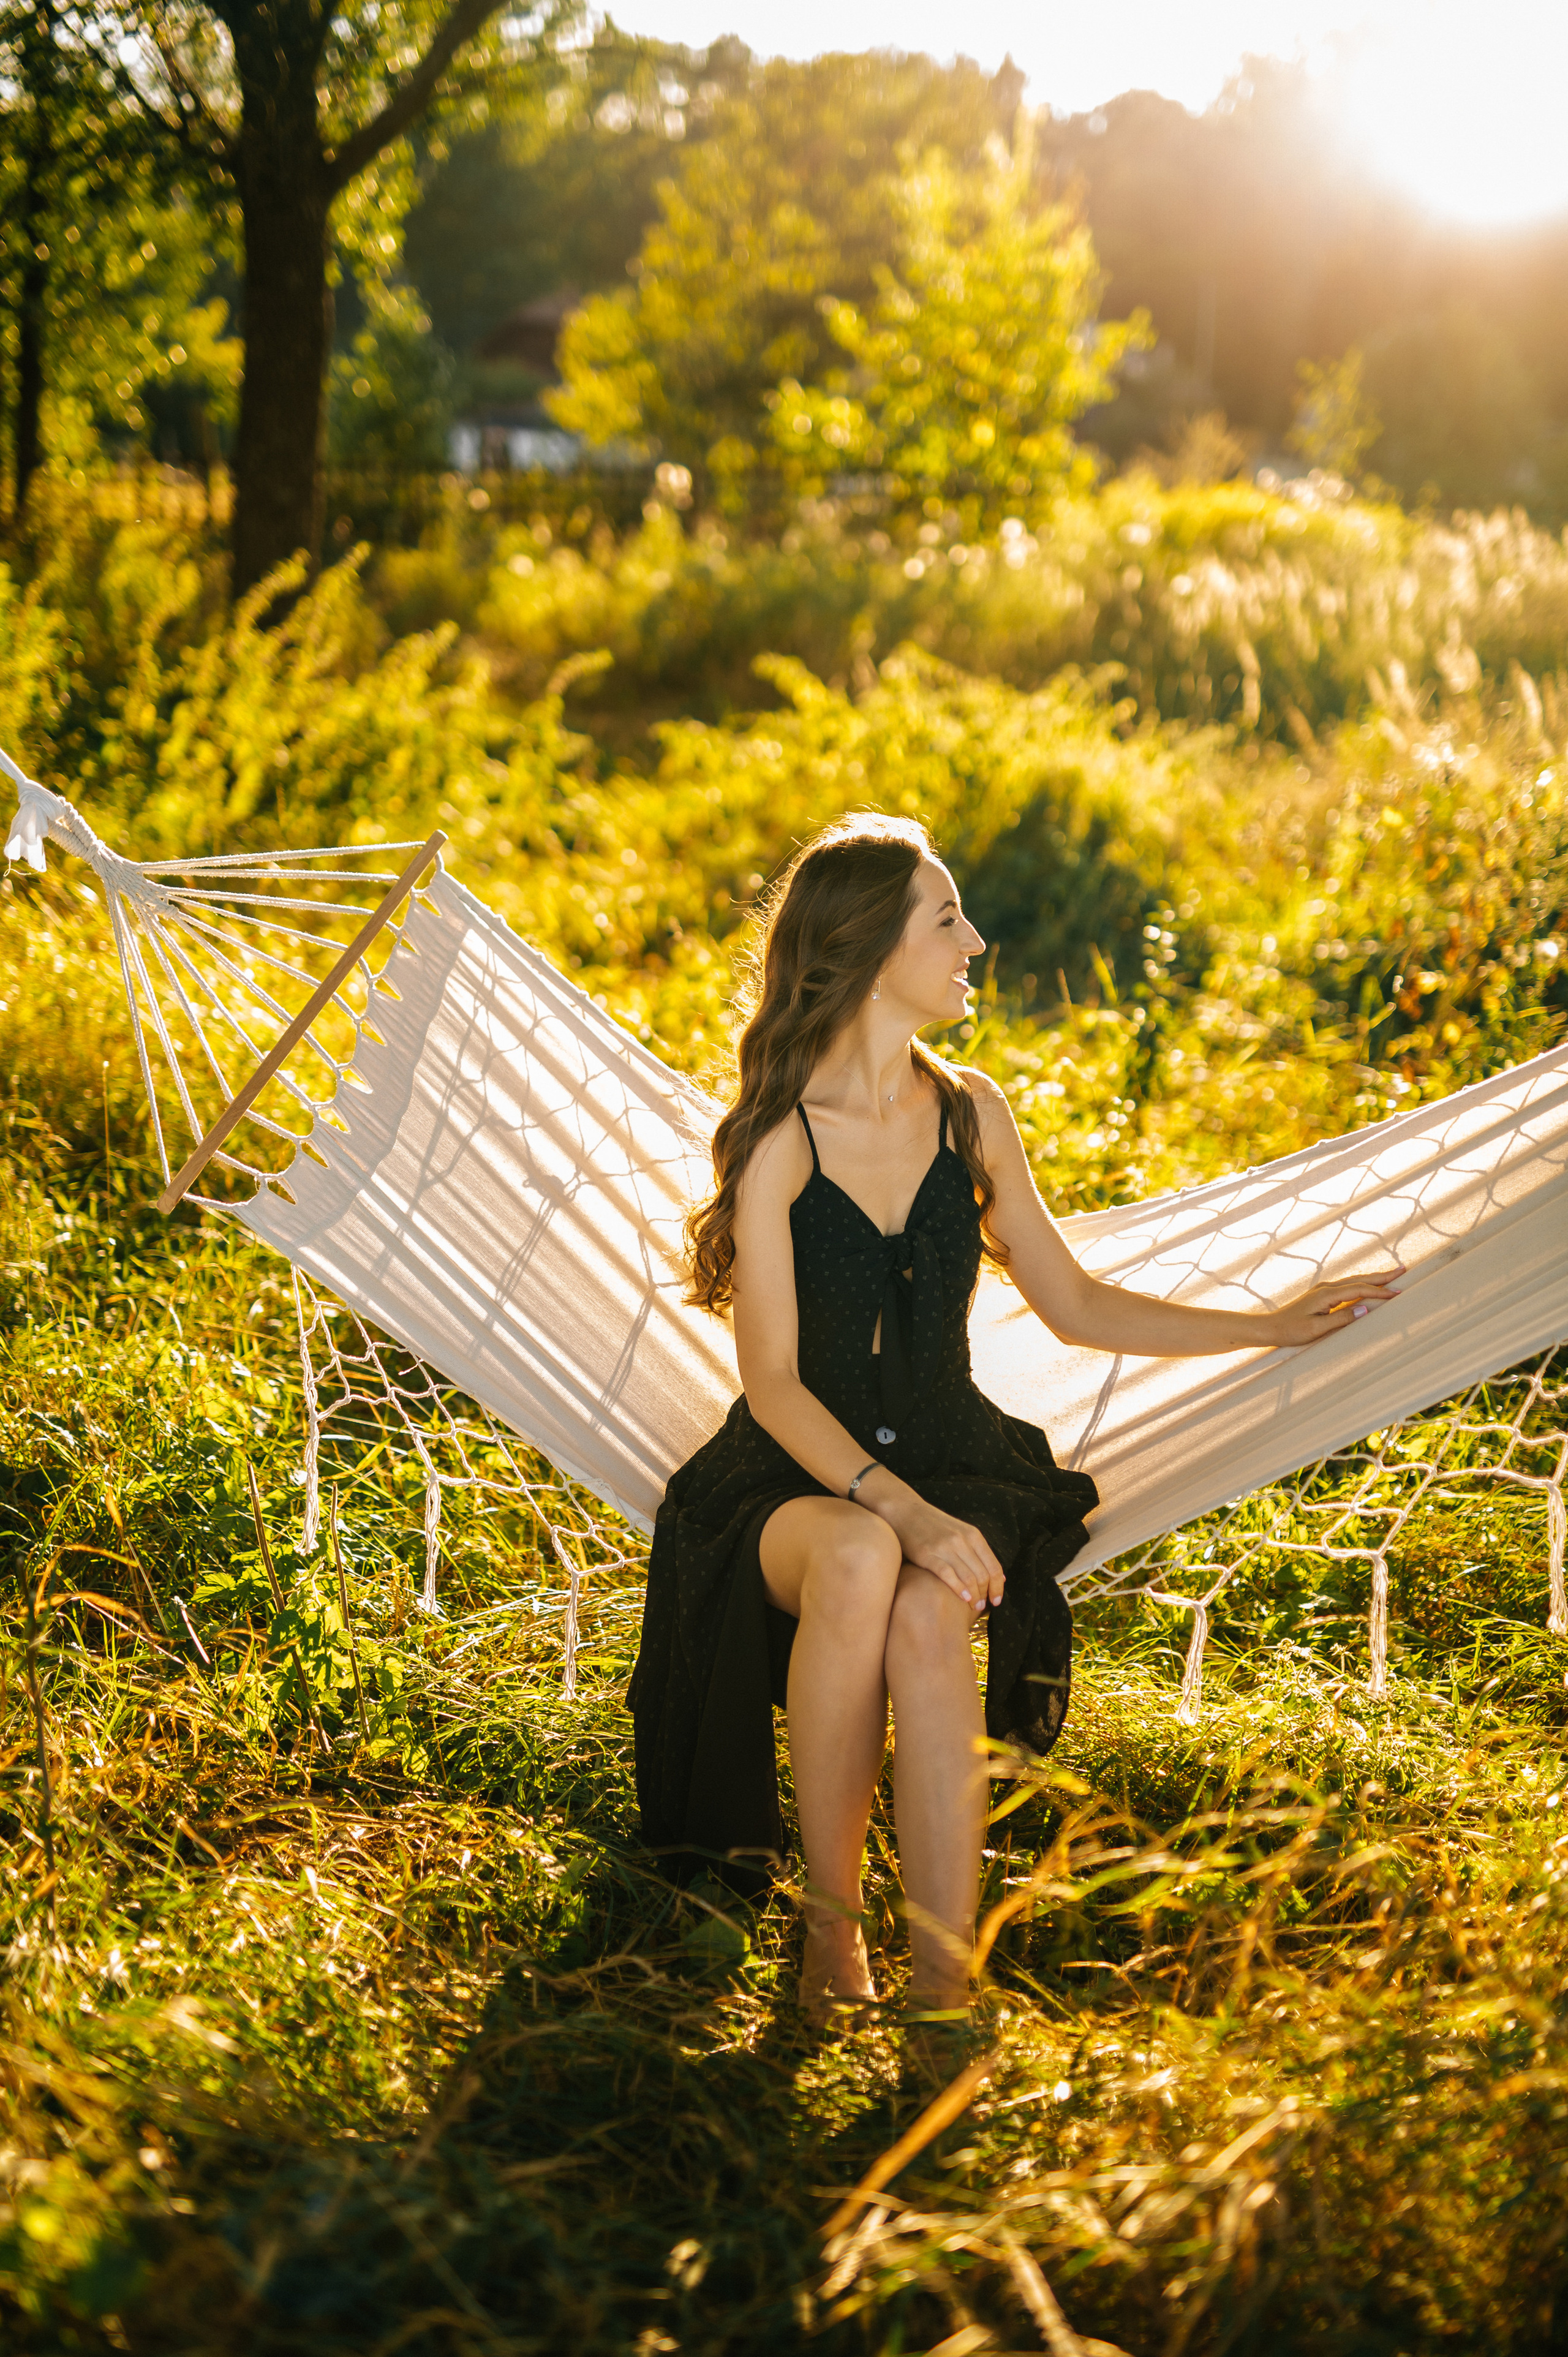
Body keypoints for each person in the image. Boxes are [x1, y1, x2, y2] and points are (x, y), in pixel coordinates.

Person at [628, 815, 1401, 2023]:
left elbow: (1074, 1297)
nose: (974, 941)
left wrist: (1272, 1323)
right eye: (945, 917)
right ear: (870, 944)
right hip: (786, 1480)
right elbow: (773, 1382)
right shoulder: (780, 1142)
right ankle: (829, 1950)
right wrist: (897, 1508)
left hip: (953, 1456)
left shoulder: (968, 1113)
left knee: (933, 1622)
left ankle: (941, 1981)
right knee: (861, 1553)